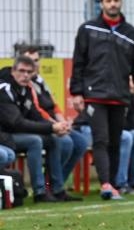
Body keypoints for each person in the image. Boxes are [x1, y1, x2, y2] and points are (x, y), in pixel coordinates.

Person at [70, 0, 134, 200]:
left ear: (121, 2)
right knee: (101, 139)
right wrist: (76, 92)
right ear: (102, 3)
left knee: (116, 141)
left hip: (120, 96)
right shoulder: (87, 29)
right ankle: (106, 184)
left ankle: (114, 183)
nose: (113, 4)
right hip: (93, 94)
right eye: (108, 1)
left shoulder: (131, 33)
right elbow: (78, 62)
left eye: (116, 0)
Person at [0, 56, 79, 203]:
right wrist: (51, 127)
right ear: (13, 71)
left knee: (55, 140)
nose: (25, 75)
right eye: (21, 71)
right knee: (35, 141)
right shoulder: (4, 88)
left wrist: (56, 128)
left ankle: (56, 189)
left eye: (28, 72)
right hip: (4, 135)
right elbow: (15, 122)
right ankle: (40, 192)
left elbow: (35, 115)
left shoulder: (27, 88)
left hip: (12, 134)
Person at [21, 45, 88, 183]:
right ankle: (50, 184)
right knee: (66, 142)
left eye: (36, 60)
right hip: (41, 125)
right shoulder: (24, 83)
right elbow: (37, 110)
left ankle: (58, 183)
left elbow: (54, 105)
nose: (34, 64)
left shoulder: (41, 81)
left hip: (54, 123)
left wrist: (62, 121)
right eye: (30, 60)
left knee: (81, 142)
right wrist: (55, 124)